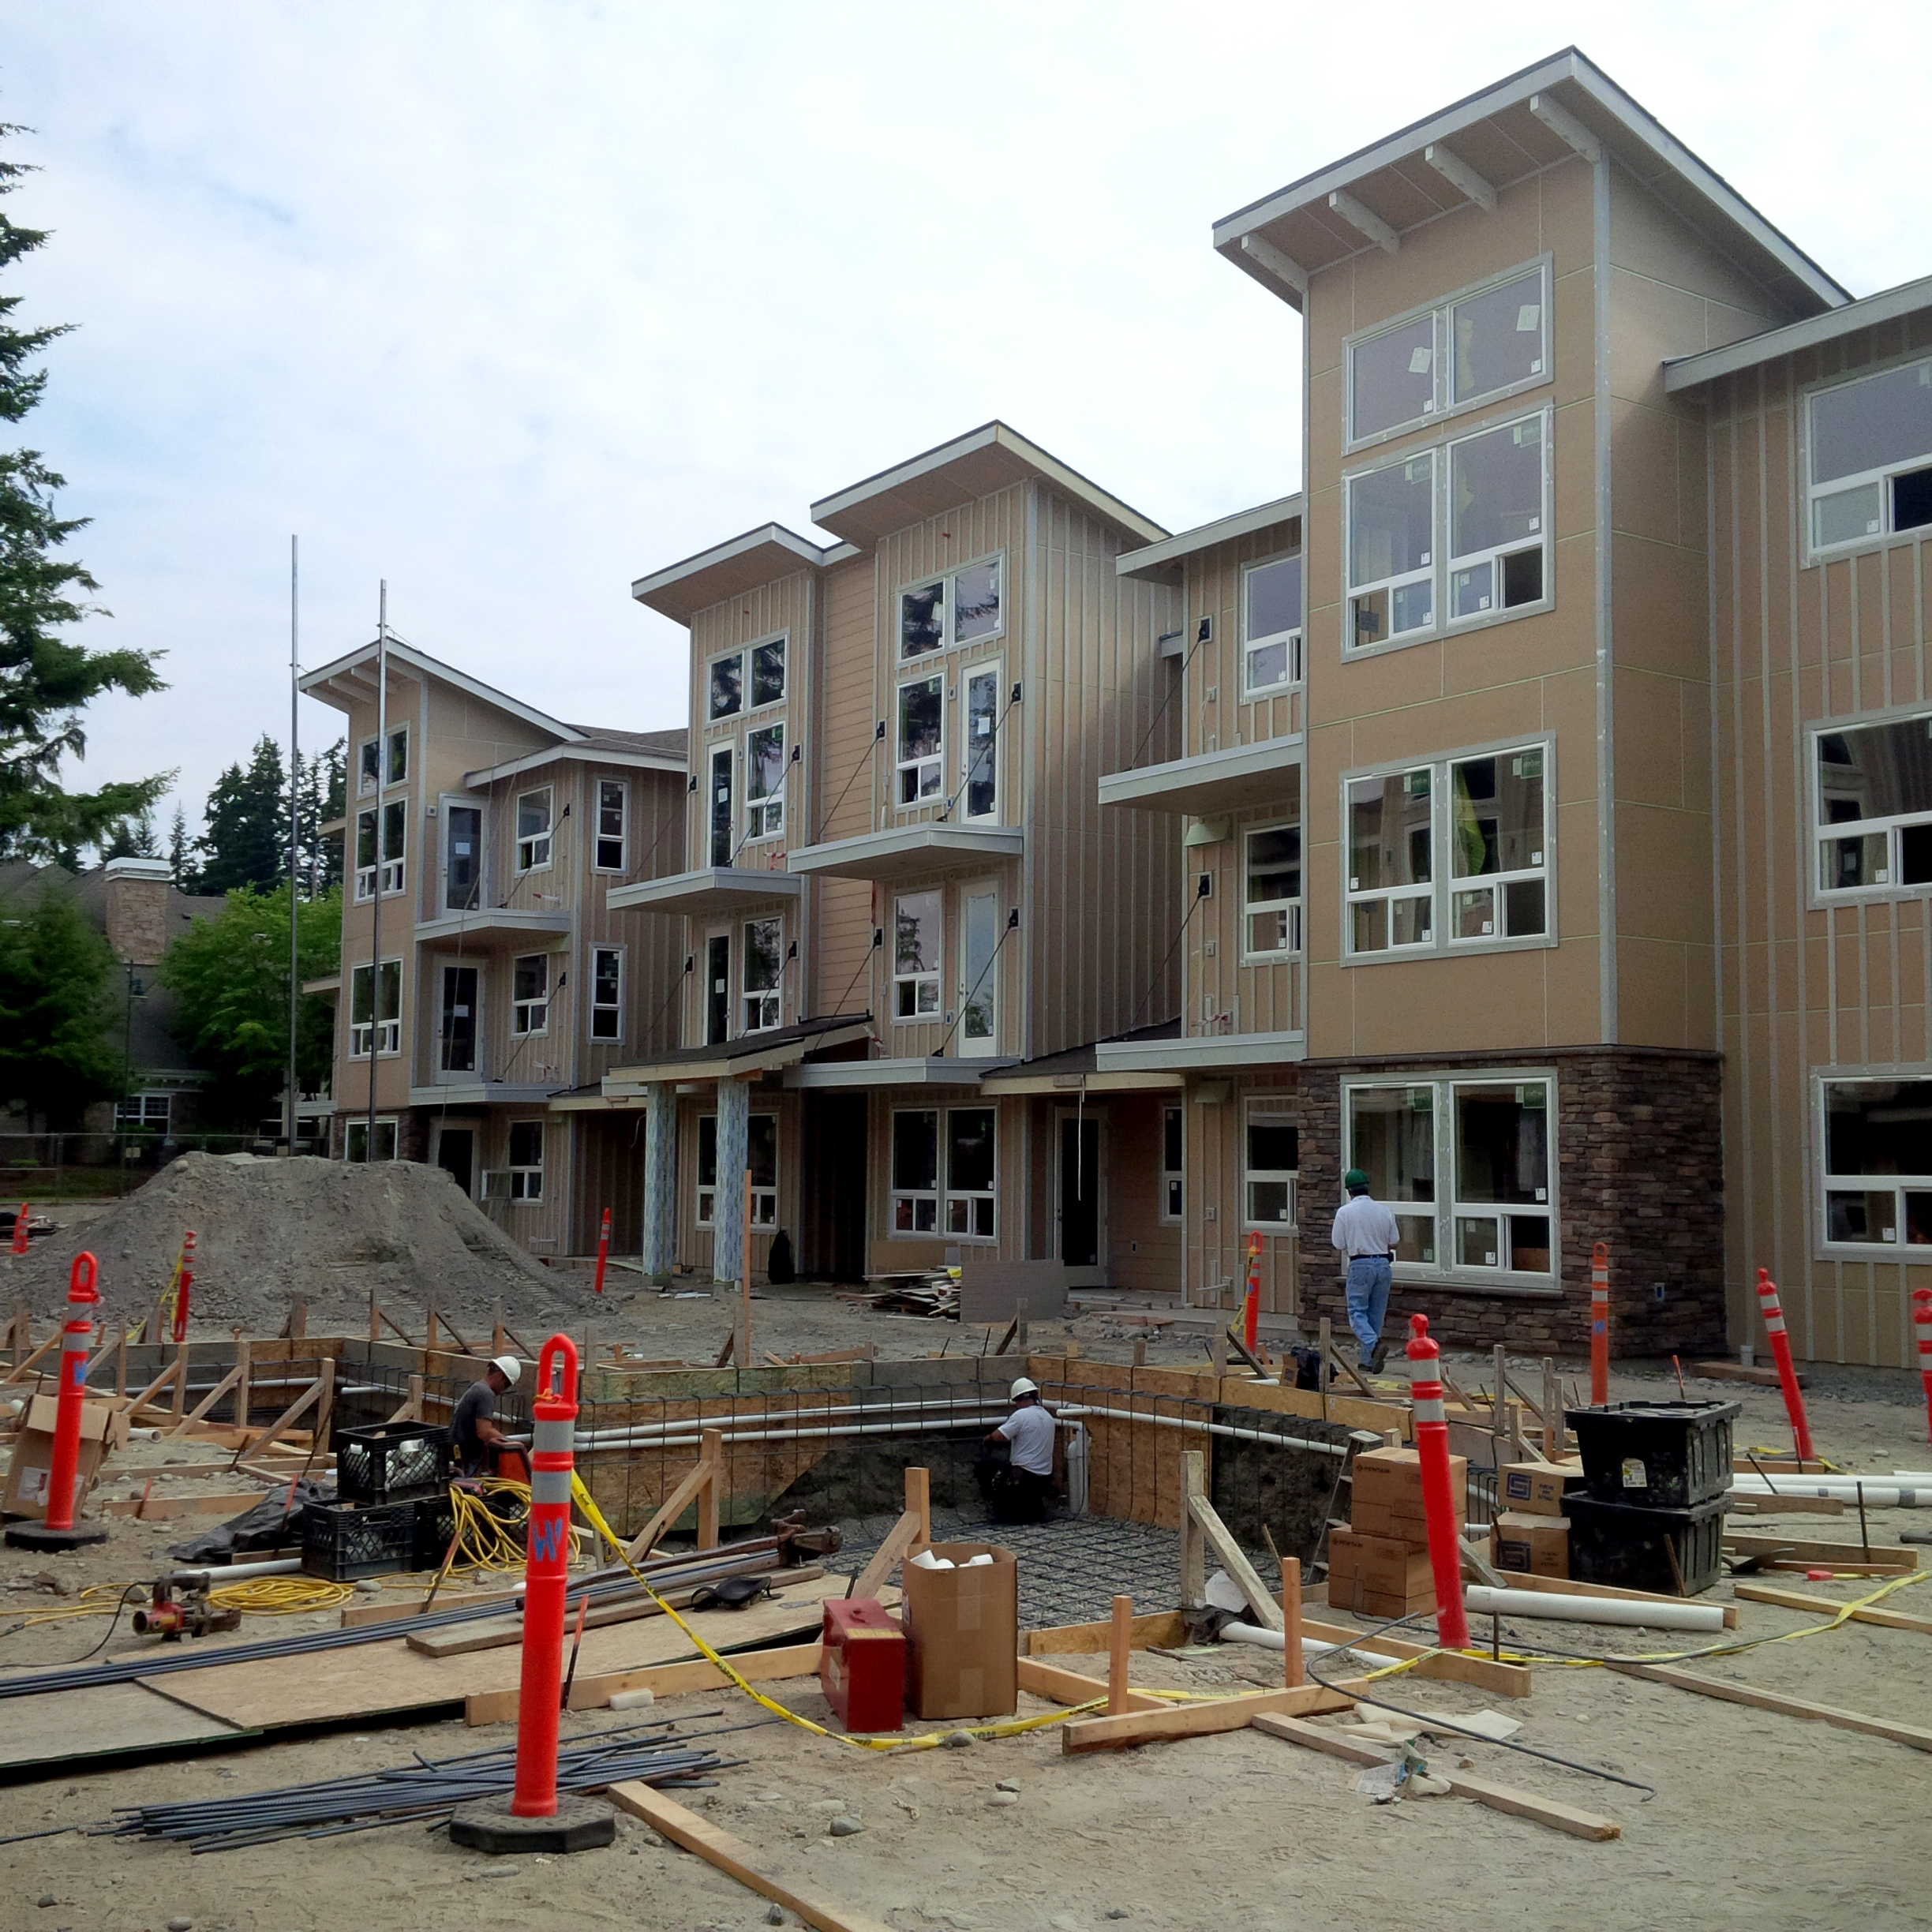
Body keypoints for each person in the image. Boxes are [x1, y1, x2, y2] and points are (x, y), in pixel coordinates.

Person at [1330, 1167, 1401, 1373]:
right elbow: (1394, 1241)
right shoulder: (1384, 1211)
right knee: (1375, 1316)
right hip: (1383, 1265)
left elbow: (1338, 1243)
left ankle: (1374, 1344)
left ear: (1349, 1191)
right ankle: (1367, 1362)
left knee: (1357, 1312)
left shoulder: (1344, 1212)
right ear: (1366, 1187)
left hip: (1360, 1264)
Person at [976, 1376, 1058, 1523]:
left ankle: (999, 1510)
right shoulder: (1048, 1417)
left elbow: (999, 1436)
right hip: (1044, 1477)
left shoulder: (1021, 1415)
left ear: (1018, 1400)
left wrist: (987, 1439)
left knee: (985, 1467)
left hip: (1025, 1477)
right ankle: (1035, 1510)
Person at [451, 1355, 522, 1477]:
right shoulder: (486, 1394)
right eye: (507, 1385)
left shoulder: (477, 1387)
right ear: (500, 1376)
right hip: (466, 1459)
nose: (503, 1390)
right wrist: (513, 1446)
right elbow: (484, 1432)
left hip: (458, 1453)